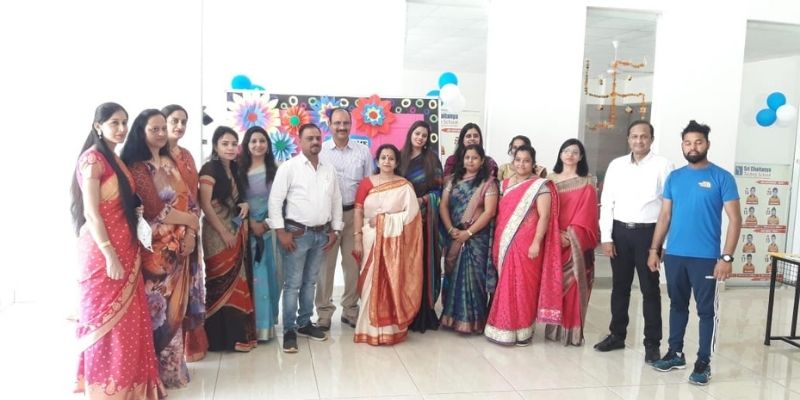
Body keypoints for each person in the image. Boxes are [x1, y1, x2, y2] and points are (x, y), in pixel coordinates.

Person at [71, 102, 165, 399]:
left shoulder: (115, 159)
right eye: (114, 122)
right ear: (98, 126)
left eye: (124, 122)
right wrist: (109, 253)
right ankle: (107, 389)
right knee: (105, 320)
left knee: (130, 320)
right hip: (103, 253)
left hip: (127, 247)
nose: (122, 128)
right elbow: (92, 213)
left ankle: (132, 384)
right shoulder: (92, 160)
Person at [648, 120, 741, 386]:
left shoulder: (722, 177)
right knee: (677, 305)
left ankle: (703, 362)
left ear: (707, 144)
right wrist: (654, 249)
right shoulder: (675, 177)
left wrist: (726, 257)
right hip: (675, 255)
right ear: (682, 146)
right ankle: (675, 353)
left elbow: (735, 220)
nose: (693, 147)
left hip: (706, 259)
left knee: (706, 311)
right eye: (688, 143)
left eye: (698, 142)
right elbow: (665, 216)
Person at [121, 109, 200, 388]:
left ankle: (173, 371)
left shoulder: (169, 160)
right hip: (155, 252)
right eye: (154, 129)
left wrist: (191, 232)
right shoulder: (137, 166)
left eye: (162, 128)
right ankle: (152, 374)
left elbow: (190, 200)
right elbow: (155, 209)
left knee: (176, 310)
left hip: (180, 246)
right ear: (141, 132)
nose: (160, 133)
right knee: (157, 312)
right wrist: (189, 220)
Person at [595, 120, 673, 364]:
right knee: (620, 287)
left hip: (649, 234)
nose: (639, 141)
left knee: (650, 290)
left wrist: (662, 245)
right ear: (628, 139)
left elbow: (669, 208)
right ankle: (617, 335)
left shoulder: (663, 165)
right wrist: (606, 237)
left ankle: (652, 344)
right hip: (620, 232)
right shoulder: (616, 165)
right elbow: (607, 202)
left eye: (644, 136)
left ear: (651, 139)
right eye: (634, 136)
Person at [268, 123, 343, 353]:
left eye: (318, 138)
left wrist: (336, 230)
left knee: (310, 282)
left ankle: (304, 323)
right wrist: (280, 231)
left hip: (321, 235)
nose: (315, 142)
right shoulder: (289, 167)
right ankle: (289, 329)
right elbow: (275, 201)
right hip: (296, 235)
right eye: (310, 138)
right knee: (292, 284)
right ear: (299, 141)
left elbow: (336, 200)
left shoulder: (328, 169)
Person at [484, 144, 560, 346]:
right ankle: (504, 327)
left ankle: (524, 330)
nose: (521, 164)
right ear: (512, 161)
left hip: (527, 245)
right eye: (518, 160)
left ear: (533, 163)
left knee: (524, 287)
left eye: (526, 161)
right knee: (506, 285)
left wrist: (536, 242)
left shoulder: (540, 186)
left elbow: (544, 217)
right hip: (504, 242)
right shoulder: (504, 185)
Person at [352, 144, 423, 345]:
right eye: (383, 157)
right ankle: (367, 329)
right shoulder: (367, 183)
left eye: (391, 158)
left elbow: (413, 215)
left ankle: (391, 329)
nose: (387, 161)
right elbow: (358, 211)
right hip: (370, 237)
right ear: (377, 161)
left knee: (392, 280)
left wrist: (384, 220)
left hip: (394, 242)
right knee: (369, 282)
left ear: (397, 162)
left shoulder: (404, 185)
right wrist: (357, 237)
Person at [199, 126, 257, 352]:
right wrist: (223, 232)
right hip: (216, 234)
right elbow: (205, 205)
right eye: (225, 144)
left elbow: (237, 200)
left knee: (238, 281)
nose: (230, 148)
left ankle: (237, 337)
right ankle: (217, 339)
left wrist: (244, 205)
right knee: (218, 281)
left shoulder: (235, 169)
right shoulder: (209, 169)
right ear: (215, 146)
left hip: (235, 231)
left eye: (234, 144)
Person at [316, 107, 373, 330]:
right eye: (337, 123)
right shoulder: (320, 152)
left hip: (353, 215)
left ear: (351, 124)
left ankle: (350, 310)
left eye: (345, 123)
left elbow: (369, 186)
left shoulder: (363, 152)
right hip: (328, 218)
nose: (341, 127)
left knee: (352, 264)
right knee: (325, 267)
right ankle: (323, 312)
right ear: (329, 125)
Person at [162, 104, 208, 362]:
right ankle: (167, 353)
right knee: (166, 293)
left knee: (189, 288)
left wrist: (191, 230)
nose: (179, 126)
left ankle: (188, 348)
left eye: (183, 121)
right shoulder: (153, 157)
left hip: (190, 230)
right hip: (164, 236)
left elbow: (194, 197)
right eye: (174, 121)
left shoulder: (187, 155)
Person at [545, 139, 600, 346]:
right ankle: (553, 329)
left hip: (576, 242)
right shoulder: (549, 180)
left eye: (575, 152)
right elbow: (544, 210)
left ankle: (572, 333)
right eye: (566, 151)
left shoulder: (587, 182)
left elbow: (589, 214)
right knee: (555, 285)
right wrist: (555, 233)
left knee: (575, 286)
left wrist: (571, 235)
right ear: (560, 154)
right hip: (553, 240)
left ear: (581, 157)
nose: (570, 155)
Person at [440, 144, 499, 333]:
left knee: (473, 280)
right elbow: (443, 205)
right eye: (467, 157)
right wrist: (450, 229)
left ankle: (474, 322)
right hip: (454, 235)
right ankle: (452, 319)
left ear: (482, 161)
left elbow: (489, 212)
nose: (470, 161)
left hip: (477, 239)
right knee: (453, 277)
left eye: (475, 158)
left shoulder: (488, 183)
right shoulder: (452, 180)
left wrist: (469, 233)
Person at [237, 126, 282, 341]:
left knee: (266, 276)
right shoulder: (238, 169)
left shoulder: (277, 169)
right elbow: (233, 201)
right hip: (243, 231)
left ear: (268, 144)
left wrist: (266, 223)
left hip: (268, 231)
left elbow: (282, 202)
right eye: (253, 141)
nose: (258, 145)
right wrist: (248, 223)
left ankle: (264, 327)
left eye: (262, 141)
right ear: (246, 145)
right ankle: (248, 326)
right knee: (250, 278)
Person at [399, 121, 444, 332]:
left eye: (424, 135)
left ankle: (422, 312)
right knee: (404, 265)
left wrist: (423, 200)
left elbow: (439, 190)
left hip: (425, 221)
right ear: (411, 133)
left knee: (423, 264)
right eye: (417, 133)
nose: (420, 138)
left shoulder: (432, 160)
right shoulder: (400, 158)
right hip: (402, 221)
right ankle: (403, 310)